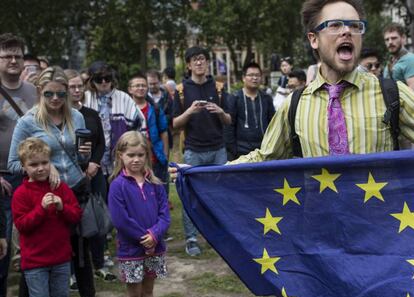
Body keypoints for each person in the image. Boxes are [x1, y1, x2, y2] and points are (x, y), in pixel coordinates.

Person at [168, 0, 414, 174]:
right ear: (313, 39)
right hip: (320, 231)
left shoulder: (391, 94)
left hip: (378, 231)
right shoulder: (295, 105)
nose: (347, 31)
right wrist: (202, 174)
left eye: (354, 25)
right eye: (335, 25)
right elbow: (264, 156)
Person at [8, 66, 103, 297]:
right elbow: (12, 163)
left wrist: (85, 156)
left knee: (81, 255)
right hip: (44, 196)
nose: (55, 99)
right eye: (49, 94)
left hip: (74, 191)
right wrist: (44, 169)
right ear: (40, 91)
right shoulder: (28, 121)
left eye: (61, 94)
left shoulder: (76, 116)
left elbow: (79, 158)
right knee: (40, 257)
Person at [172, 46, 231, 256]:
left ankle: (221, 235)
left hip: (218, 149)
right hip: (193, 151)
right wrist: (189, 111)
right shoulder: (180, 90)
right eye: (195, 60)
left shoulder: (219, 87)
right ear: (188, 65)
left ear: (207, 63)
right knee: (191, 195)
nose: (199, 63)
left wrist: (221, 112)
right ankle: (191, 238)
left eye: (203, 59)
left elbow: (229, 120)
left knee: (220, 194)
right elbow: (174, 124)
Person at [12, 137, 82, 297]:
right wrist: (41, 209)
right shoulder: (21, 194)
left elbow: (76, 216)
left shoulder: (60, 187)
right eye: (34, 165)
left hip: (61, 258)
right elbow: (22, 225)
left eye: (45, 162)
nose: (41, 168)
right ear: (24, 166)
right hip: (35, 260)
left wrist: (61, 207)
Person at [108, 131, 170, 297]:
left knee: (148, 290)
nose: (136, 159)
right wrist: (145, 238)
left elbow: (164, 215)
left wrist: (155, 235)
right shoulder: (117, 186)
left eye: (140, 155)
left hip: (155, 247)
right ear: (121, 156)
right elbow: (121, 220)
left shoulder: (155, 183)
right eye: (131, 155)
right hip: (131, 249)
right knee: (134, 292)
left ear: (147, 155)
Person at [65, 69, 117, 282]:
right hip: (69, 176)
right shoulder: (61, 116)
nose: (77, 90)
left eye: (80, 86)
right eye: (72, 87)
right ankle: (70, 272)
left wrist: (94, 163)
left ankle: (99, 262)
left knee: (97, 219)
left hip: (94, 174)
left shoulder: (91, 113)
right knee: (69, 224)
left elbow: (101, 142)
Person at [0, 32, 37, 297]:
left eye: (17, 55)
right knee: (2, 244)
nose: (13, 60)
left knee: (30, 241)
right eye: (7, 55)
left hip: (30, 175)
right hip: (2, 177)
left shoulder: (34, 92)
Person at [83, 61, 145, 180]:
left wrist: (132, 154)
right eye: (99, 79)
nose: (104, 82)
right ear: (91, 80)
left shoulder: (124, 98)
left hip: (121, 164)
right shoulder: (85, 98)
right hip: (92, 164)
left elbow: (139, 126)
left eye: (107, 78)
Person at [226, 62, 275, 160]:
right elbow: (229, 126)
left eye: (257, 75)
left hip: (263, 150)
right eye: (251, 75)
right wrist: (233, 151)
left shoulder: (266, 98)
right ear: (244, 78)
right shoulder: (235, 98)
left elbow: (273, 123)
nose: (254, 78)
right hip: (241, 152)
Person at [383, 22, 414, 90]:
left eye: (394, 38)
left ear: (403, 38)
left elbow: (412, 93)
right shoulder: (391, 61)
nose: (390, 42)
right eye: (387, 39)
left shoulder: (410, 60)